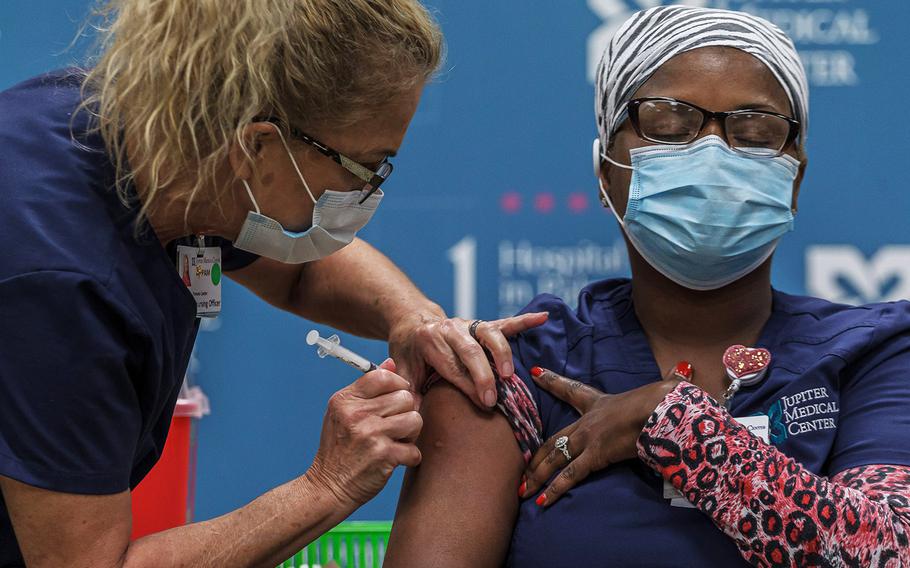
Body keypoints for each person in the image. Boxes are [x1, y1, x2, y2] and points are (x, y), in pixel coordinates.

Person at [0, 1, 547, 566]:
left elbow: (301, 272)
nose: (368, 193)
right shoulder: (59, 282)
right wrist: (327, 485)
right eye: (366, 167)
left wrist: (412, 317)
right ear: (258, 144)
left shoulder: (164, 144)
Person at [385, 6, 910, 567]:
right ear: (606, 168)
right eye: (668, 123)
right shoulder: (519, 368)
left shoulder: (873, 353)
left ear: (794, 178)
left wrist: (673, 423)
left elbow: (888, 552)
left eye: (755, 129)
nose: (715, 151)